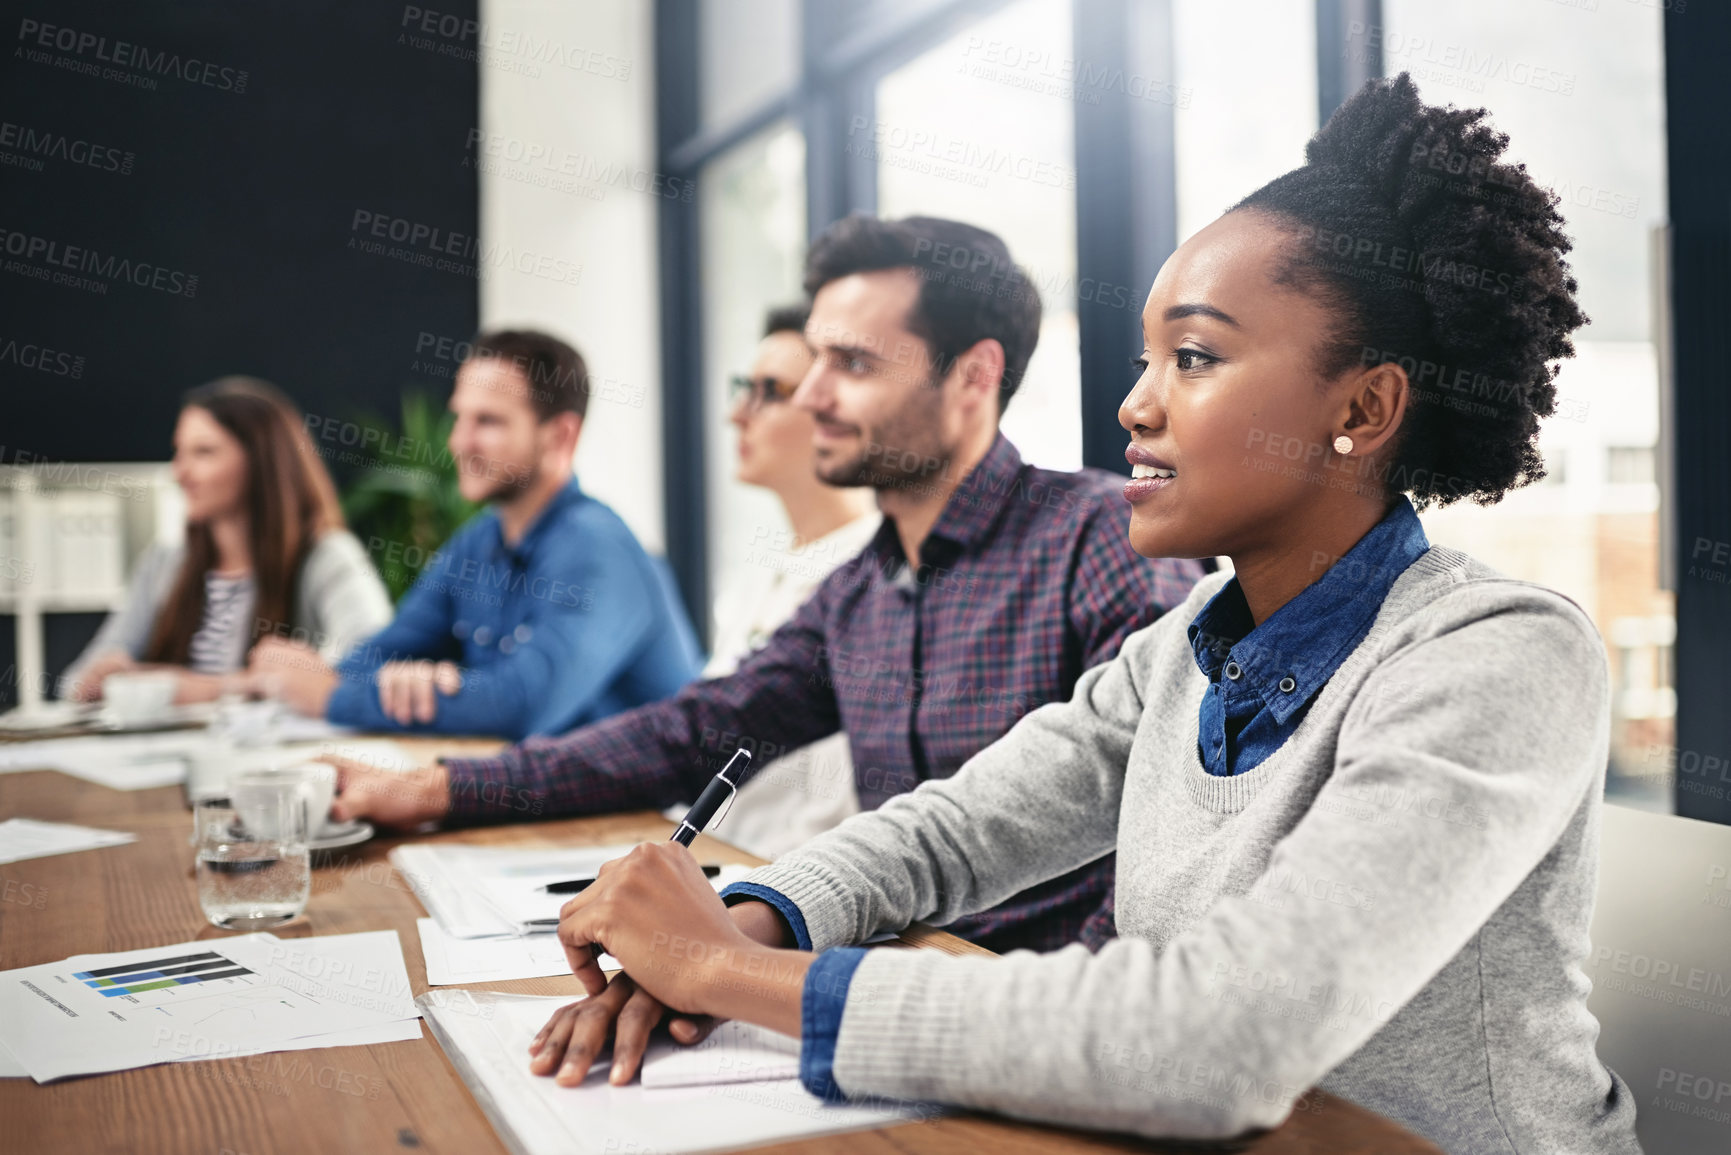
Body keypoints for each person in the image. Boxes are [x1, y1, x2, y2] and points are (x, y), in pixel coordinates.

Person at [524, 76, 1642, 1155]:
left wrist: (726, 975)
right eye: (1145, 356)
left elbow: (1219, 1040)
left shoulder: (1500, 656)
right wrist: (745, 919)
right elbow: (947, 832)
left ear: (1364, 406)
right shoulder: (1185, 649)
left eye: (1195, 358)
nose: (1135, 405)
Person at [330, 216, 1204, 953]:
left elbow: (1169, 833)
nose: (812, 395)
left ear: (973, 376)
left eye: (851, 364)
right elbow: (695, 729)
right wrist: (436, 788)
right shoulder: (859, 590)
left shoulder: (1099, 539)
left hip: (1034, 1022)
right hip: (888, 976)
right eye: (814, 361)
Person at [252, 329, 703, 741]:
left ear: (560, 436)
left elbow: (523, 706)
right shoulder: (480, 539)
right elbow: (374, 657)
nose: (459, 442)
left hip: (643, 820)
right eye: (459, 419)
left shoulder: (597, 548)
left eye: (487, 422)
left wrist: (331, 698)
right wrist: (412, 684)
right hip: (545, 803)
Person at [685, 303, 879, 859]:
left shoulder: (874, 578)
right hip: (717, 859)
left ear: (831, 404)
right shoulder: (766, 569)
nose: (737, 415)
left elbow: (832, 814)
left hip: (780, 884)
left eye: (770, 390)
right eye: (743, 387)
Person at [61, 377, 391, 704]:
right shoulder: (164, 563)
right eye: (179, 452)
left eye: (203, 452)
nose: (180, 472)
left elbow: (372, 662)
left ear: (262, 460)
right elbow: (73, 684)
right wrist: (99, 679)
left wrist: (179, 687)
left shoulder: (327, 556)